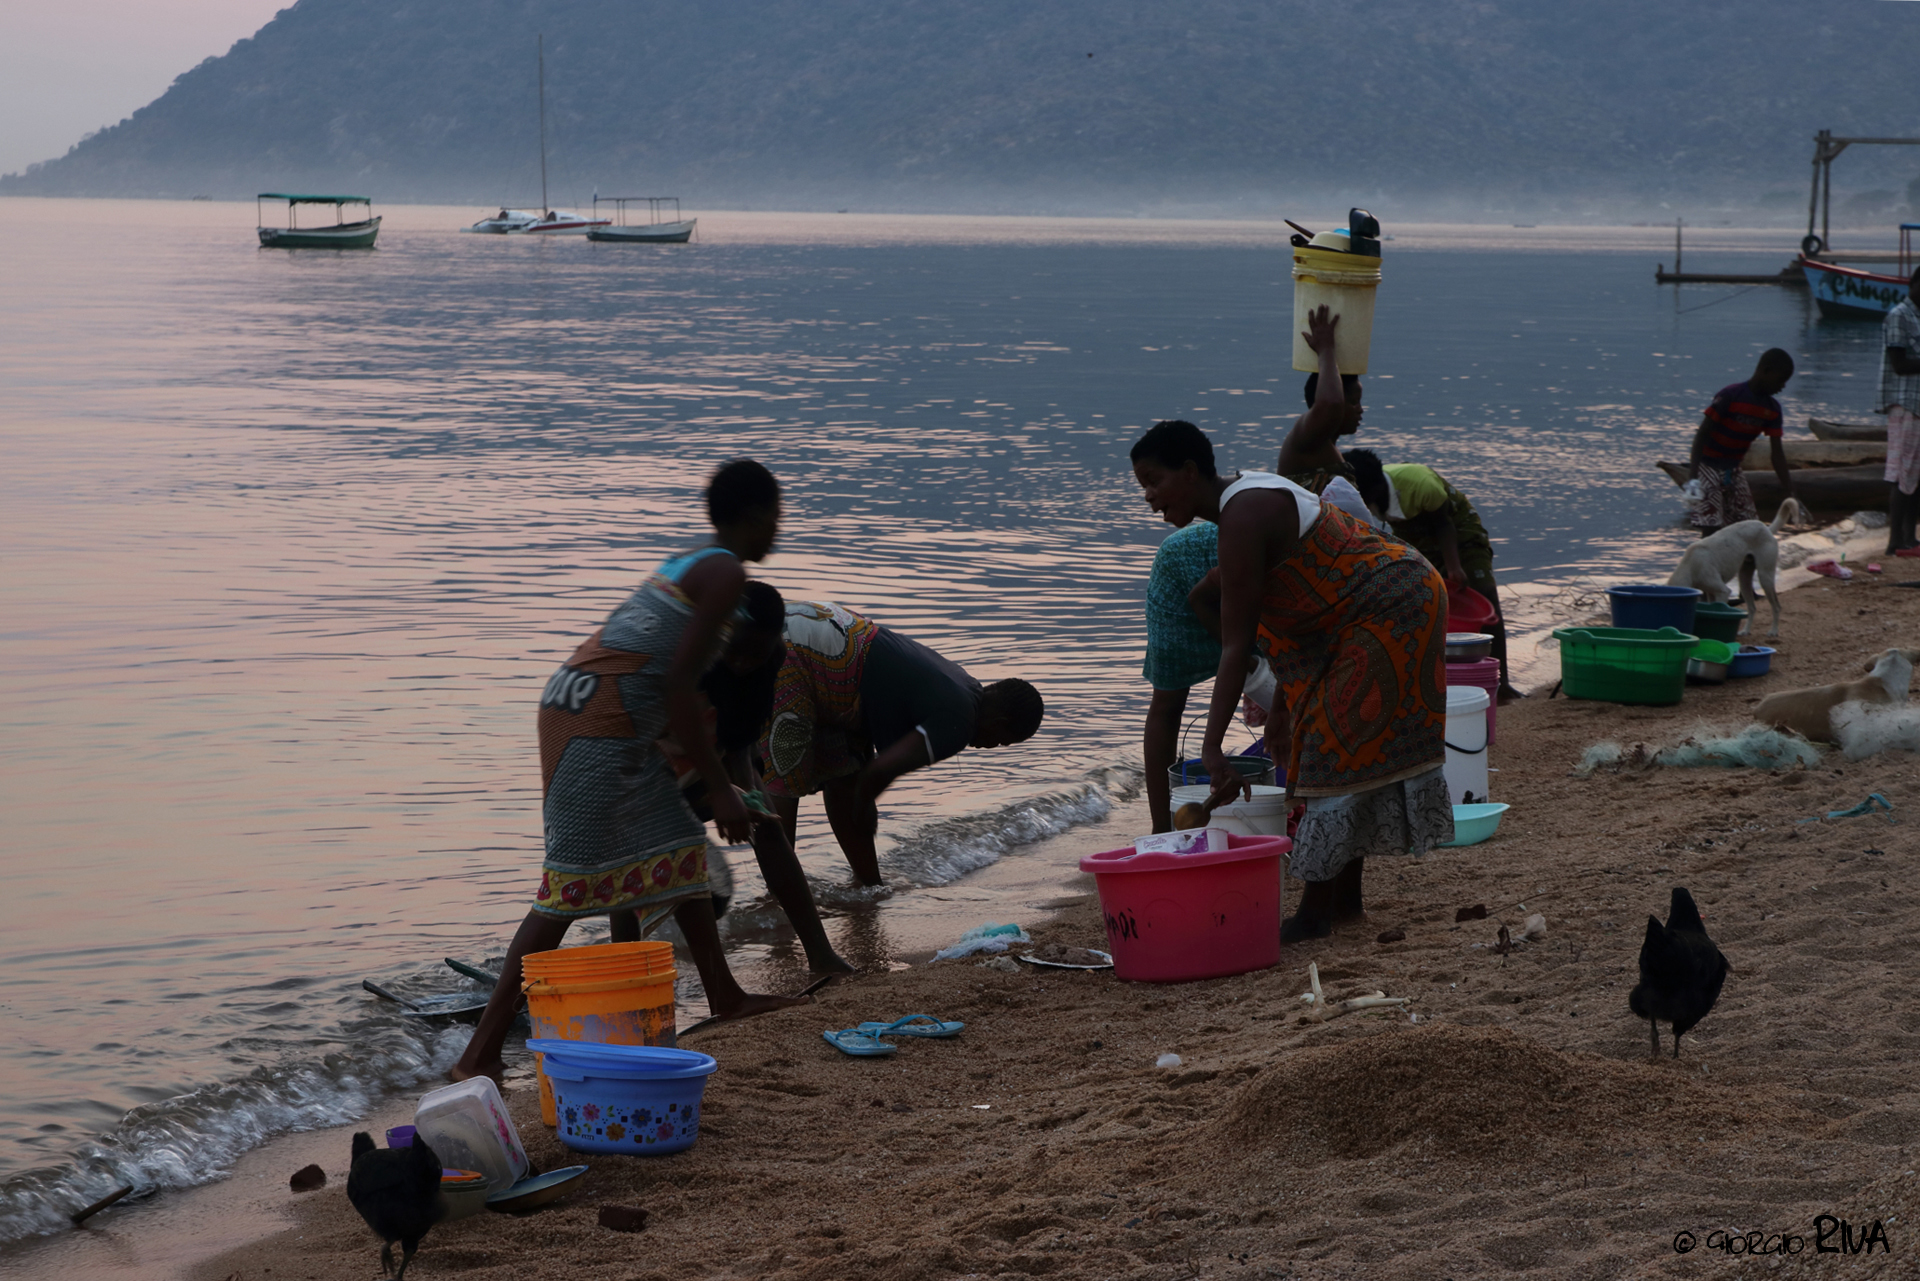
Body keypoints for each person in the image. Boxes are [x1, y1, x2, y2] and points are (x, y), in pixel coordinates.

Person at [451, 459, 808, 1084]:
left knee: (678, 848)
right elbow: (676, 686)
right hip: (595, 725)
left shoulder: (699, 561)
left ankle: (724, 995)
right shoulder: (725, 572)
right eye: (776, 514)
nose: (779, 527)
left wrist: (723, 781)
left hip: (590, 709)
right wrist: (722, 788)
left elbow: (667, 675)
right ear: (754, 515)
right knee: (564, 888)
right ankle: (478, 1052)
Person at [1130, 417, 1452, 942]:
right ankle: (1344, 903)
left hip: (1393, 605)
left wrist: (1213, 751)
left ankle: (1314, 915)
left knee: (1332, 754)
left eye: (1153, 481)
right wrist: (1281, 698)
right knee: (1330, 752)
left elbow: (1236, 644)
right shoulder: (1235, 512)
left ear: (1189, 472)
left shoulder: (1245, 512)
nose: (1149, 498)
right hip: (1351, 619)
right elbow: (1257, 617)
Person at [759, 601, 1045, 885]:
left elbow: (861, 777)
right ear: (999, 724)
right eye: (1000, 743)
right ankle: (778, 897)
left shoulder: (965, 686)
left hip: (832, 643)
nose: (989, 748)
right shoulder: (960, 722)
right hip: (802, 648)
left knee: (846, 774)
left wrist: (861, 798)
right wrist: (865, 811)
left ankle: (868, 886)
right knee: (784, 778)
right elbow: (880, 771)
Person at [665, 580, 852, 974]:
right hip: (658, 754)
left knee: (769, 829)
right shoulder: (692, 657)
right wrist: (720, 791)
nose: (744, 662)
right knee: (644, 859)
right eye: (738, 650)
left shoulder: (771, 657)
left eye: (757, 653)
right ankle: (625, 963)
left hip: (717, 747)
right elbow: (672, 734)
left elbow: (739, 740)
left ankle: (821, 955)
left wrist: (746, 798)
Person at [1343, 449, 1523, 702]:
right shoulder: (1360, 493)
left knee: (1483, 596)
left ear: (1371, 489)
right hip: (1415, 533)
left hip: (1458, 530)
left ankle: (1501, 682)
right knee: (1420, 600)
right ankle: (1435, 680)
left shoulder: (1419, 484)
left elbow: (1444, 524)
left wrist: (1454, 567)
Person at [1685, 349, 1795, 536]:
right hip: (1708, 466)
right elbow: (1702, 434)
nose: (1783, 386)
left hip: (1733, 469)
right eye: (1780, 380)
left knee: (1750, 530)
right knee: (1711, 527)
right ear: (1765, 371)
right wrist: (1693, 478)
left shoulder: (1772, 409)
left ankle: (1744, 563)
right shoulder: (1730, 396)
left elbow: (1777, 453)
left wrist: (1791, 491)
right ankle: (1708, 563)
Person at [1274, 305, 1365, 495]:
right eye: (1353, 402)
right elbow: (1331, 404)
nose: (1360, 410)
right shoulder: (1305, 437)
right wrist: (1325, 349)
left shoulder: (1326, 445)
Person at [1879, 268, 1920, 555]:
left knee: (1915, 474)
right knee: (1901, 472)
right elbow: (1899, 364)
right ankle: (1894, 541)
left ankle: (1910, 536)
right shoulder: (1899, 315)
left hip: (1918, 403)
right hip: (1906, 403)